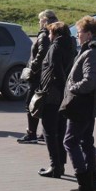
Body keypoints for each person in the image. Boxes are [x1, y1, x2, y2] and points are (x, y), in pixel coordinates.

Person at [60, 16, 96, 191]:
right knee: (85, 142)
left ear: (89, 34)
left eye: (80, 32)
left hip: (82, 104)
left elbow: (90, 81)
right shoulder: (92, 50)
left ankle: (85, 185)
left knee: (70, 141)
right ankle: (91, 185)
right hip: (86, 104)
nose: (77, 36)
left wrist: (72, 87)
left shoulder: (93, 53)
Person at [36, 21, 76, 178]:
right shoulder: (71, 45)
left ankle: (55, 166)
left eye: (50, 33)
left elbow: (54, 70)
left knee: (49, 131)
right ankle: (61, 164)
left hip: (52, 93)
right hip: (64, 94)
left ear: (56, 34)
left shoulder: (55, 47)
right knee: (60, 129)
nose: (49, 36)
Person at [18, 9, 58, 144]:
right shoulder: (57, 33)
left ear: (45, 21)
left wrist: (32, 68)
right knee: (44, 104)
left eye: (40, 20)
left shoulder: (44, 35)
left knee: (31, 103)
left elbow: (42, 54)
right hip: (47, 76)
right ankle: (44, 132)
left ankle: (31, 133)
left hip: (38, 76)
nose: (39, 22)